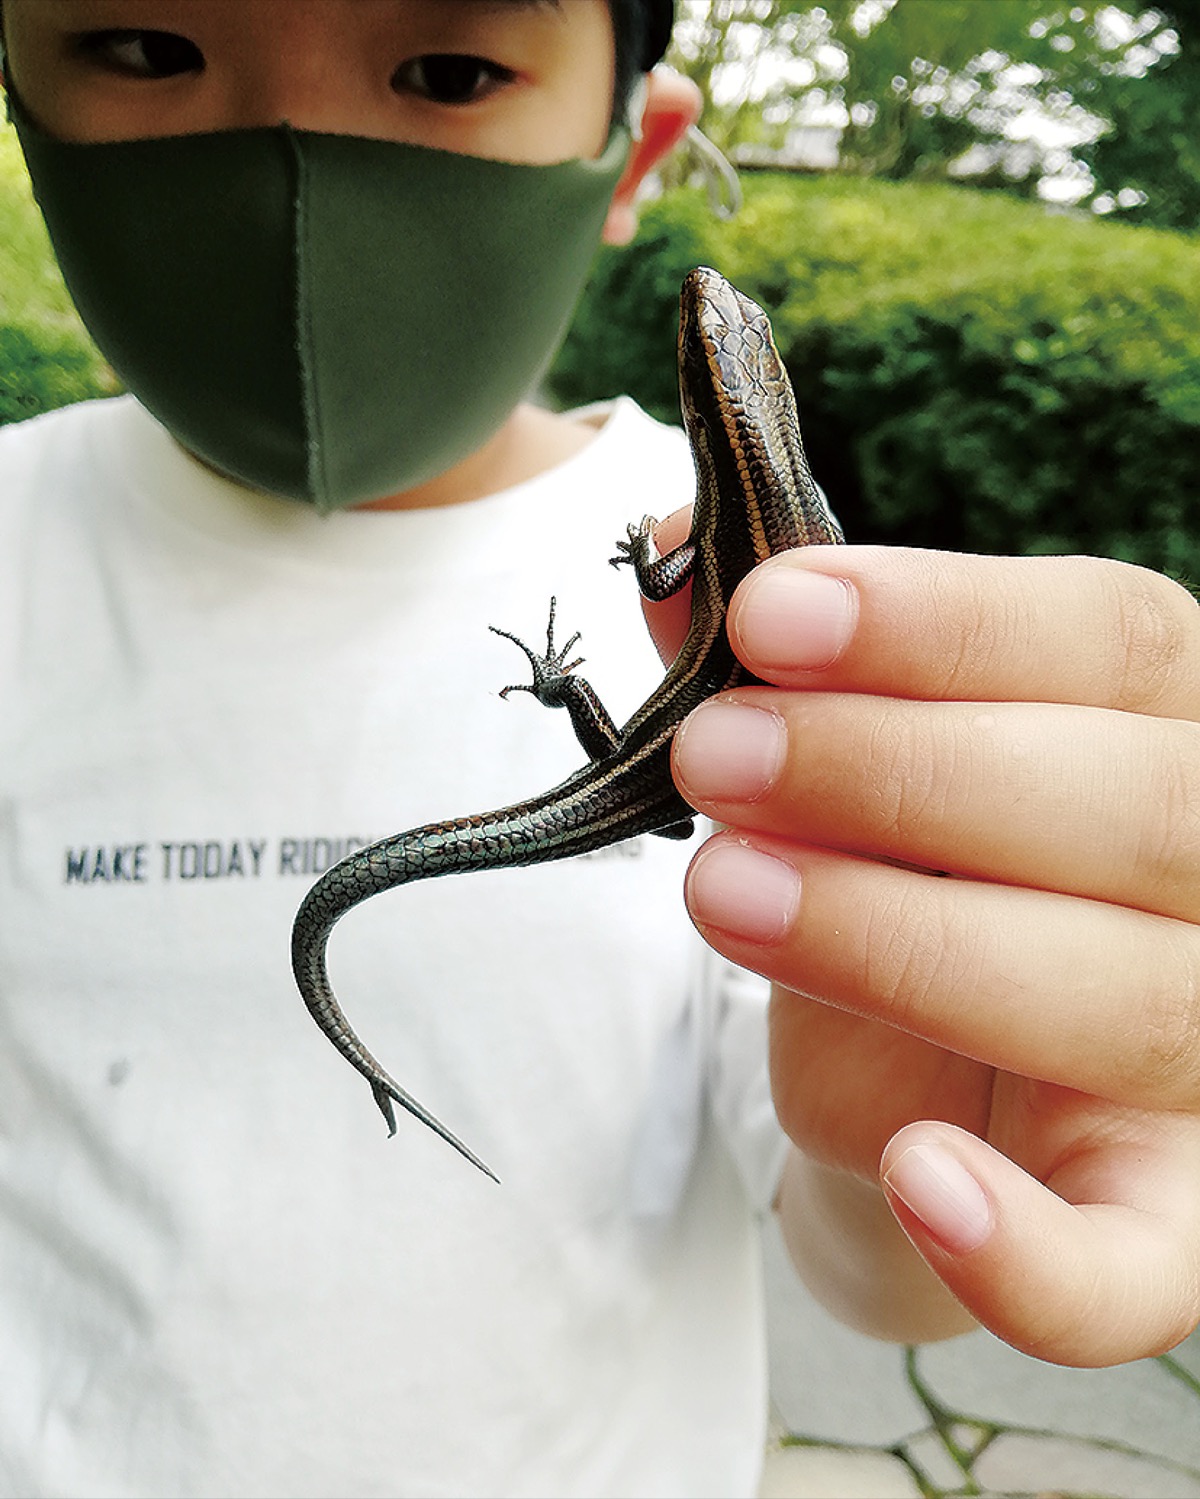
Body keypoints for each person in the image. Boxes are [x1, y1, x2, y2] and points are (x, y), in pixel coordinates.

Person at [0, 1, 1197, 1495]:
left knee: (656, 765)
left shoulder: (727, 524)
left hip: (665, 771)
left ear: (638, 149)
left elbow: (867, 1266)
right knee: (638, 762)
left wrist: (961, 1090)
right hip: (646, 761)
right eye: (145, 44)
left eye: (448, 69)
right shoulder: (749, 508)